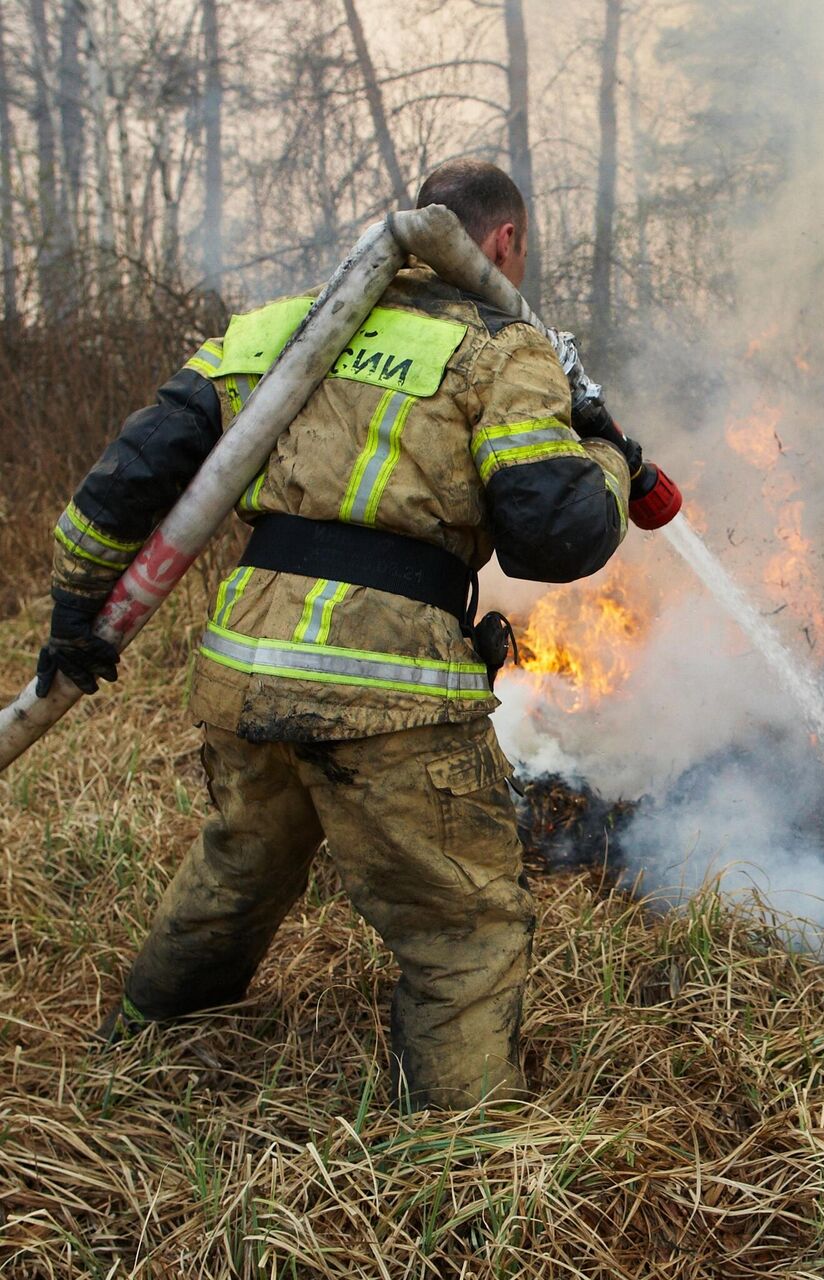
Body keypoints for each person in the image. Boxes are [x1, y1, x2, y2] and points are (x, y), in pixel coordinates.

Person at [39, 159, 631, 1109]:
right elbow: (554, 537)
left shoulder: (283, 326)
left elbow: (131, 472)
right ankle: (461, 1155)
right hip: (387, 686)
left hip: (247, 667)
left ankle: (136, 1061)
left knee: (240, 866)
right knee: (465, 926)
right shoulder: (504, 350)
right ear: (504, 243)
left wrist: (76, 607)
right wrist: (603, 451)